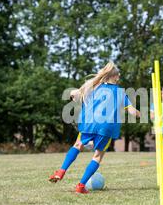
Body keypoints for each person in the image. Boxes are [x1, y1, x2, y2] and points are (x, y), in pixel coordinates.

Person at [48, 61, 140, 194]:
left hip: (89, 123)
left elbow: (74, 95)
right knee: (97, 156)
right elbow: (132, 112)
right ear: (116, 77)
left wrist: (74, 94)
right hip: (107, 127)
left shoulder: (93, 86)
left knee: (77, 145)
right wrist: (139, 113)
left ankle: (61, 171)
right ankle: (80, 186)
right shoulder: (121, 93)